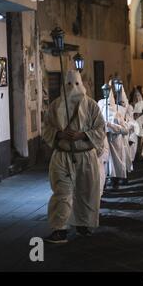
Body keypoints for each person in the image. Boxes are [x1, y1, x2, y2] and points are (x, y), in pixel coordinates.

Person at [43, 70, 106, 243]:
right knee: (62, 193)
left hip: (85, 156)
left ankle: (83, 224)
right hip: (62, 157)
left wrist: (82, 135)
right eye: (69, 84)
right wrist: (59, 134)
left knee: (85, 192)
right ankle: (59, 229)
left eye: (76, 84)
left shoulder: (91, 106)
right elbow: (46, 127)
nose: (73, 88)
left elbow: (100, 128)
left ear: (81, 84)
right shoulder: (55, 106)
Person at [98, 80, 130, 188]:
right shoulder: (100, 108)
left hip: (115, 141)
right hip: (104, 140)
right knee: (105, 163)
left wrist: (111, 126)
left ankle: (115, 180)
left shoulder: (117, 112)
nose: (105, 93)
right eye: (104, 91)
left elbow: (125, 130)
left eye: (107, 90)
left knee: (115, 163)